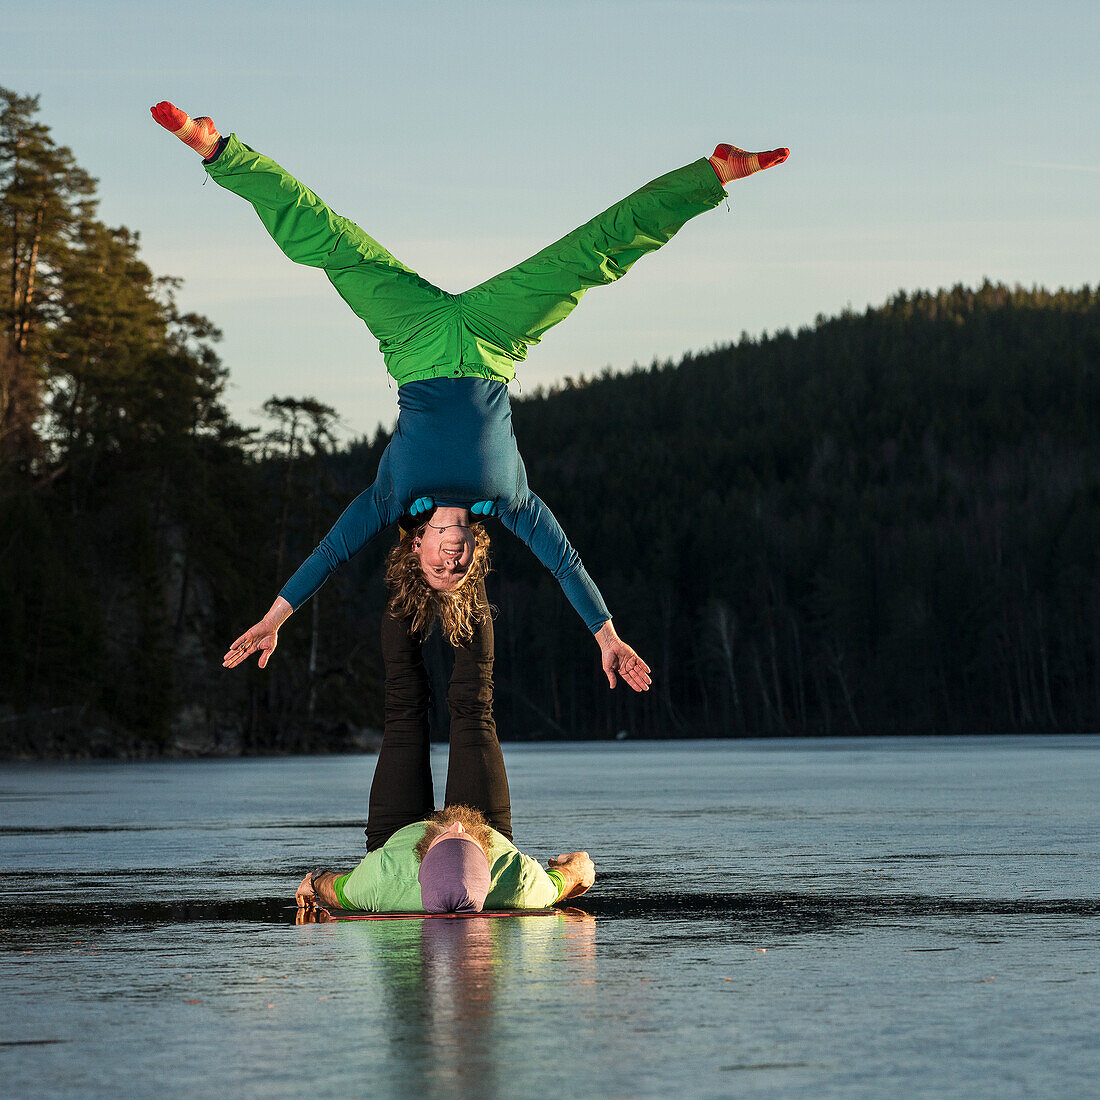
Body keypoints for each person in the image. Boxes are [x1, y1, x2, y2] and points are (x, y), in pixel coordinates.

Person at [152, 102, 788, 690]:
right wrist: (607, 634)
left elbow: (326, 556)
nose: (449, 563)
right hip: (493, 343)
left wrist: (275, 616)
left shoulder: (388, 501)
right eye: (459, 572)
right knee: (590, 257)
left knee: (329, 243)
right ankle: (713, 175)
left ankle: (216, 150)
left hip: (414, 341)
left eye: (437, 568)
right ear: (472, 558)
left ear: (417, 550)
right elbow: (567, 566)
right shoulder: (512, 505)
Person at [297, 577, 594, 915]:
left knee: (404, 705)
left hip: (397, 838)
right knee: (474, 703)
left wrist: (316, 879)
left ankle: (409, 546)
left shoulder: (382, 881)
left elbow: (333, 889)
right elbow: (571, 876)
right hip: (489, 831)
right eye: (464, 840)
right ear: (489, 871)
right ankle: (468, 553)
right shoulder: (517, 883)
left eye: (445, 840)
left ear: (422, 866)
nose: (455, 826)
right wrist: (577, 870)